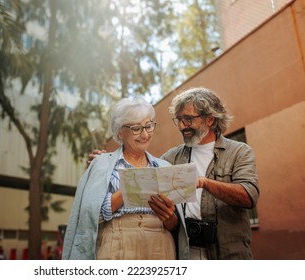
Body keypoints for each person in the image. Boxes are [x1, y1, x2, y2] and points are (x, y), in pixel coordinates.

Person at [88, 87, 260, 260]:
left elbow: (249, 196)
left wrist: (204, 182)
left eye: (188, 119)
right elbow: (143, 173)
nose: (181, 125)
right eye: (178, 119)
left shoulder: (239, 152)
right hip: (185, 250)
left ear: (209, 119)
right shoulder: (170, 157)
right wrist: (106, 161)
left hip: (227, 252)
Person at [62, 97, 189, 260]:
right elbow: (91, 216)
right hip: (117, 242)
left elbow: (175, 226)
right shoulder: (101, 164)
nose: (145, 134)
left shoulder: (164, 166)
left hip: (160, 245)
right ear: (120, 131)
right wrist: (131, 188)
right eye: (136, 128)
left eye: (149, 126)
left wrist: (169, 217)